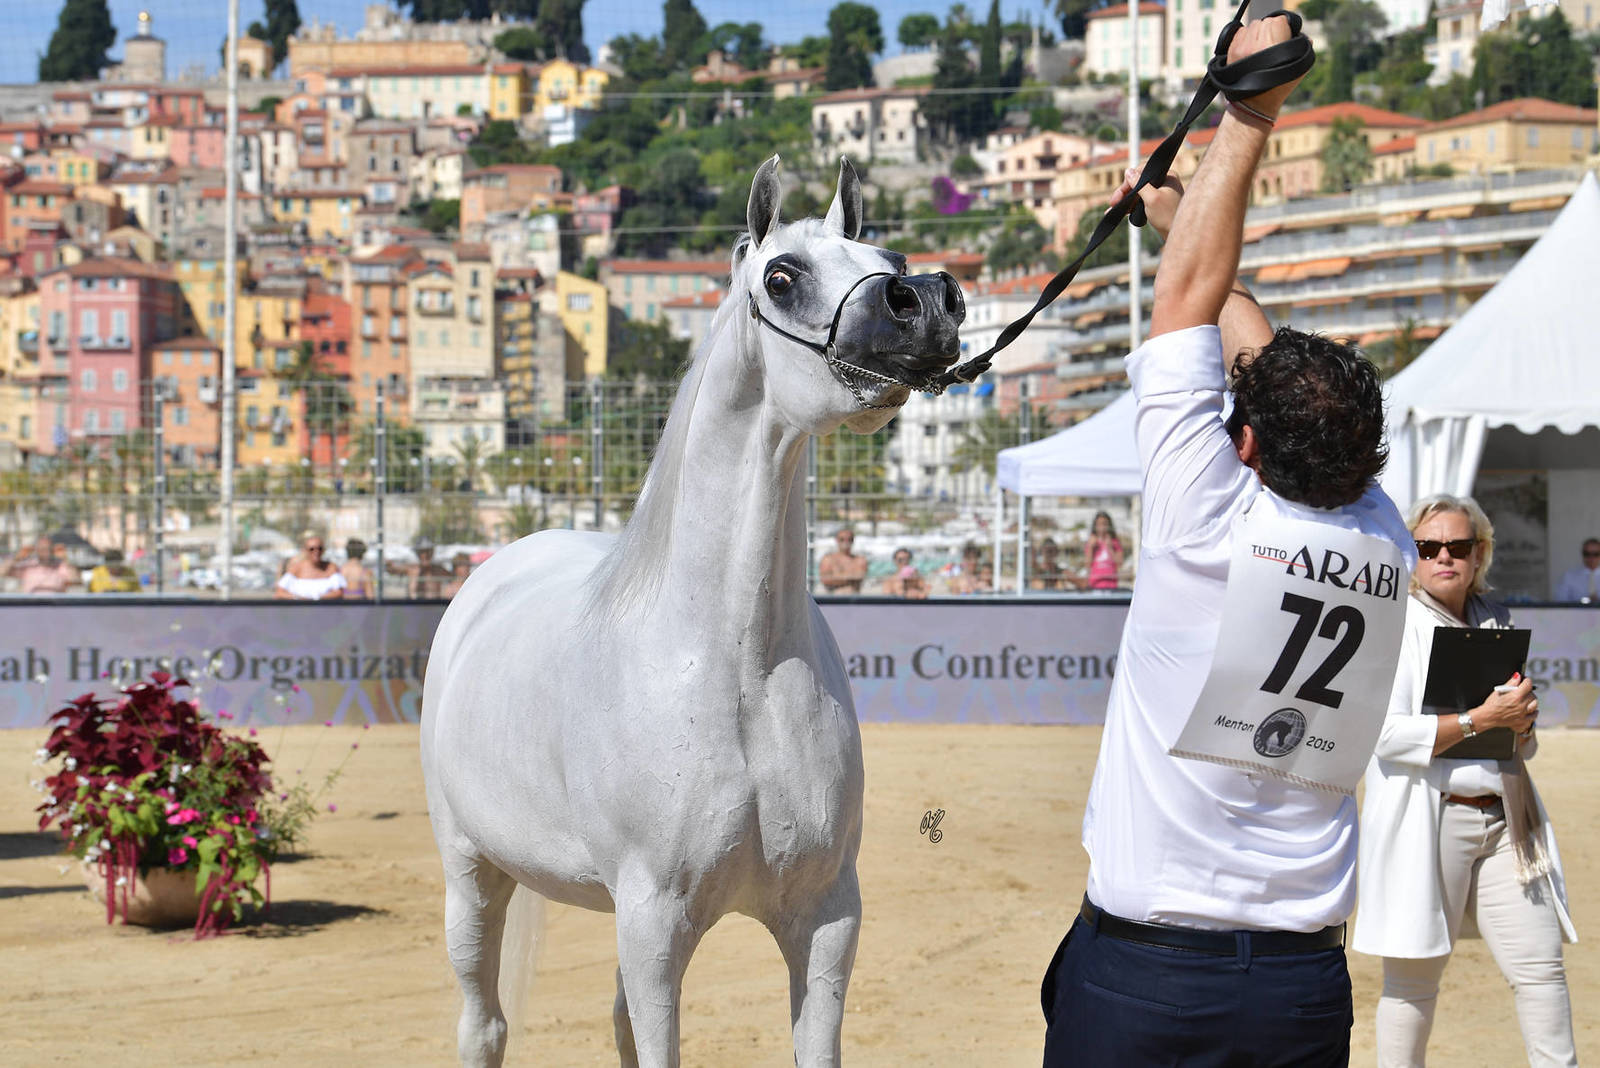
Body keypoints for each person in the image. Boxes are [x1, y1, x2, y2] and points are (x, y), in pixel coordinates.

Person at [1041, 18, 1417, 1066]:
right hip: (1301, 988)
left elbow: (1189, 305)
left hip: (1149, 978)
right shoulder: (1381, 535)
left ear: (1242, 441)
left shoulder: (1207, 513)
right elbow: (1233, 329)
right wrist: (1179, 218)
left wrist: (1250, 105)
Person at [1355, 494, 1576, 1067]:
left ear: (1480, 555)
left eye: (1459, 546)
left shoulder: (1494, 623)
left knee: (1541, 970)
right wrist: (1481, 719)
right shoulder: (1394, 625)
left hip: (1507, 823)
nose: (1444, 557)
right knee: (1413, 982)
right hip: (1429, 822)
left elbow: (1519, 745)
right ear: (1412, 553)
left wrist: (1521, 724)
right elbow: (1383, 735)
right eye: (1429, 547)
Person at [274, 534, 347, 601]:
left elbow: (339, 593)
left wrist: (317, 598)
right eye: (312, 549)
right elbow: (279, 593)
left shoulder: (331, 568)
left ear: (323, 550)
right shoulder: (296, 568)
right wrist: (298, 598)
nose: (316, 551)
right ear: (305, 550)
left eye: (319, 548)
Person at [7, 535, 78, 594]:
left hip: (55, 605)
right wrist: (16, 558)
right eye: (42, 549)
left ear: (53, 550)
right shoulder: (28, 566)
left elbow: (75, 580)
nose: (46, 552)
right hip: (31, 605)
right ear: (37, 550)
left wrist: (66, 559)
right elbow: (2, 572)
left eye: (48, 549)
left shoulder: (60, 566)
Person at [818, 527, 869, 595]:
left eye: (849, 539)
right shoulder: (828, 559)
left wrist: (837, 576)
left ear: (853, 541)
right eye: (842, 539)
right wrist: (850, 577)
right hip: (832, 599)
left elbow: (860, 577)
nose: (846, 542)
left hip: (854, 598)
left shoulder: (860, 560)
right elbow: (825, 579)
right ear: (836, 540)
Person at [1081, 512, 1125, 591]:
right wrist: (1091, 547)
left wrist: (1110, 548)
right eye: (1099, 524)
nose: (1102, 527)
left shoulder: (1114, 542)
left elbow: (1120, 563)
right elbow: (1087, 565)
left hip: (1111, 584)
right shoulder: (1091, 542)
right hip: (1095, 584)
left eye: (1104, 524)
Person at [1553, 537, 1599, 603]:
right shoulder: (1569, 577)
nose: (1591, 558)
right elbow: (1560, 601)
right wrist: (1583, 601)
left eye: (1595, 554)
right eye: (1587, 554)